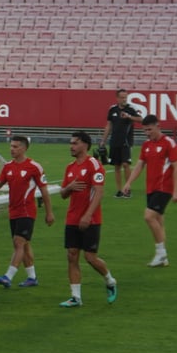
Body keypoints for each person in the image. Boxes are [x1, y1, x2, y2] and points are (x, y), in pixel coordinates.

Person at [58, 131, 117, 308]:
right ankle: (76, 297)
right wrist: (69, 187)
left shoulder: (95, 165)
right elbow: (62, 194)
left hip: (90, 219)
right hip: (72, 218)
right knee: (72, 255)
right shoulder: (70, 167)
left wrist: (88, 215)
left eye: (75, 143)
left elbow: (99, 192)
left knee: (90, 258)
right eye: (71, 143)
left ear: (85, 145)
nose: (71, 146)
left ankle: (110, 280)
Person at [0, 136, 54, 289]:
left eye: (16, 146)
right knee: (24, 245)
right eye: (11, 146)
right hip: (13, 211)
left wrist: (49, 212)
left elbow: (44, 191)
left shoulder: (34, 167)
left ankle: (8, 276)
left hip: (27, 211)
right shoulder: (7, 167)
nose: (12, 149)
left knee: (18, 242)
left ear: (24, 148)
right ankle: (32, 277)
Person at [121, 115, 177, 267]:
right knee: (159, 222)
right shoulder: (147, 145)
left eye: (150, 129)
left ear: (158, 126)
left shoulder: (169, 143)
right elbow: (140, 165)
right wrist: (128, 182)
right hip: (151, 188)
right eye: (145, 130)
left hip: (164, 188)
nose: (147, 133)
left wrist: (176, 190)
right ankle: (164, 257)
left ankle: (160, 253)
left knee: (148, 217)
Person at [100, 88, 143, 198]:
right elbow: (109, 125)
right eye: (122, 97)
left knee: (126, 164)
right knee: (117, 166)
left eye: (126, 97)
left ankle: (127, 189)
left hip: (126, 141)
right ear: (117, 98)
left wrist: (129, 116)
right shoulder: (112, 109)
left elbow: (141, 119)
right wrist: (103, 141)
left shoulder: (131, 108)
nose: (124, 99)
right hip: (114, 141)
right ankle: (119, 190)